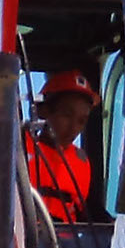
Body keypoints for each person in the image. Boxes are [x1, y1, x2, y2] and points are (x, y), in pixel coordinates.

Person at [26, 69, 97, 224]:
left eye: (81, 121)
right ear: (43, 111)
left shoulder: (81, 164)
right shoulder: (17, 153)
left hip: (67, 247)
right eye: (66, 115)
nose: (74, 128)